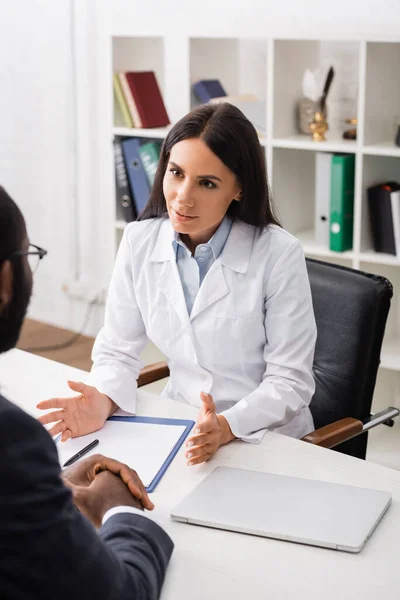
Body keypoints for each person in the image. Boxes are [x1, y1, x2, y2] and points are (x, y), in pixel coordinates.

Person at [38, 102, 317, 466]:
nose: (183, 197)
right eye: (176, 173)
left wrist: (227, 425)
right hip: (181, 430)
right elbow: (117, 351)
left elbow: (290, 381)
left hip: (267, 440)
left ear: (239, 189)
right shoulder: (139, 240)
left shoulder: (278, 255)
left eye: (207, 183)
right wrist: (103, 400)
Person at [0, 186, 173, 599]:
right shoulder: (13, 440)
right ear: (6, 278)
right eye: (28, 258)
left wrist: (51, 487)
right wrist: (118, 509)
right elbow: (120, 593)